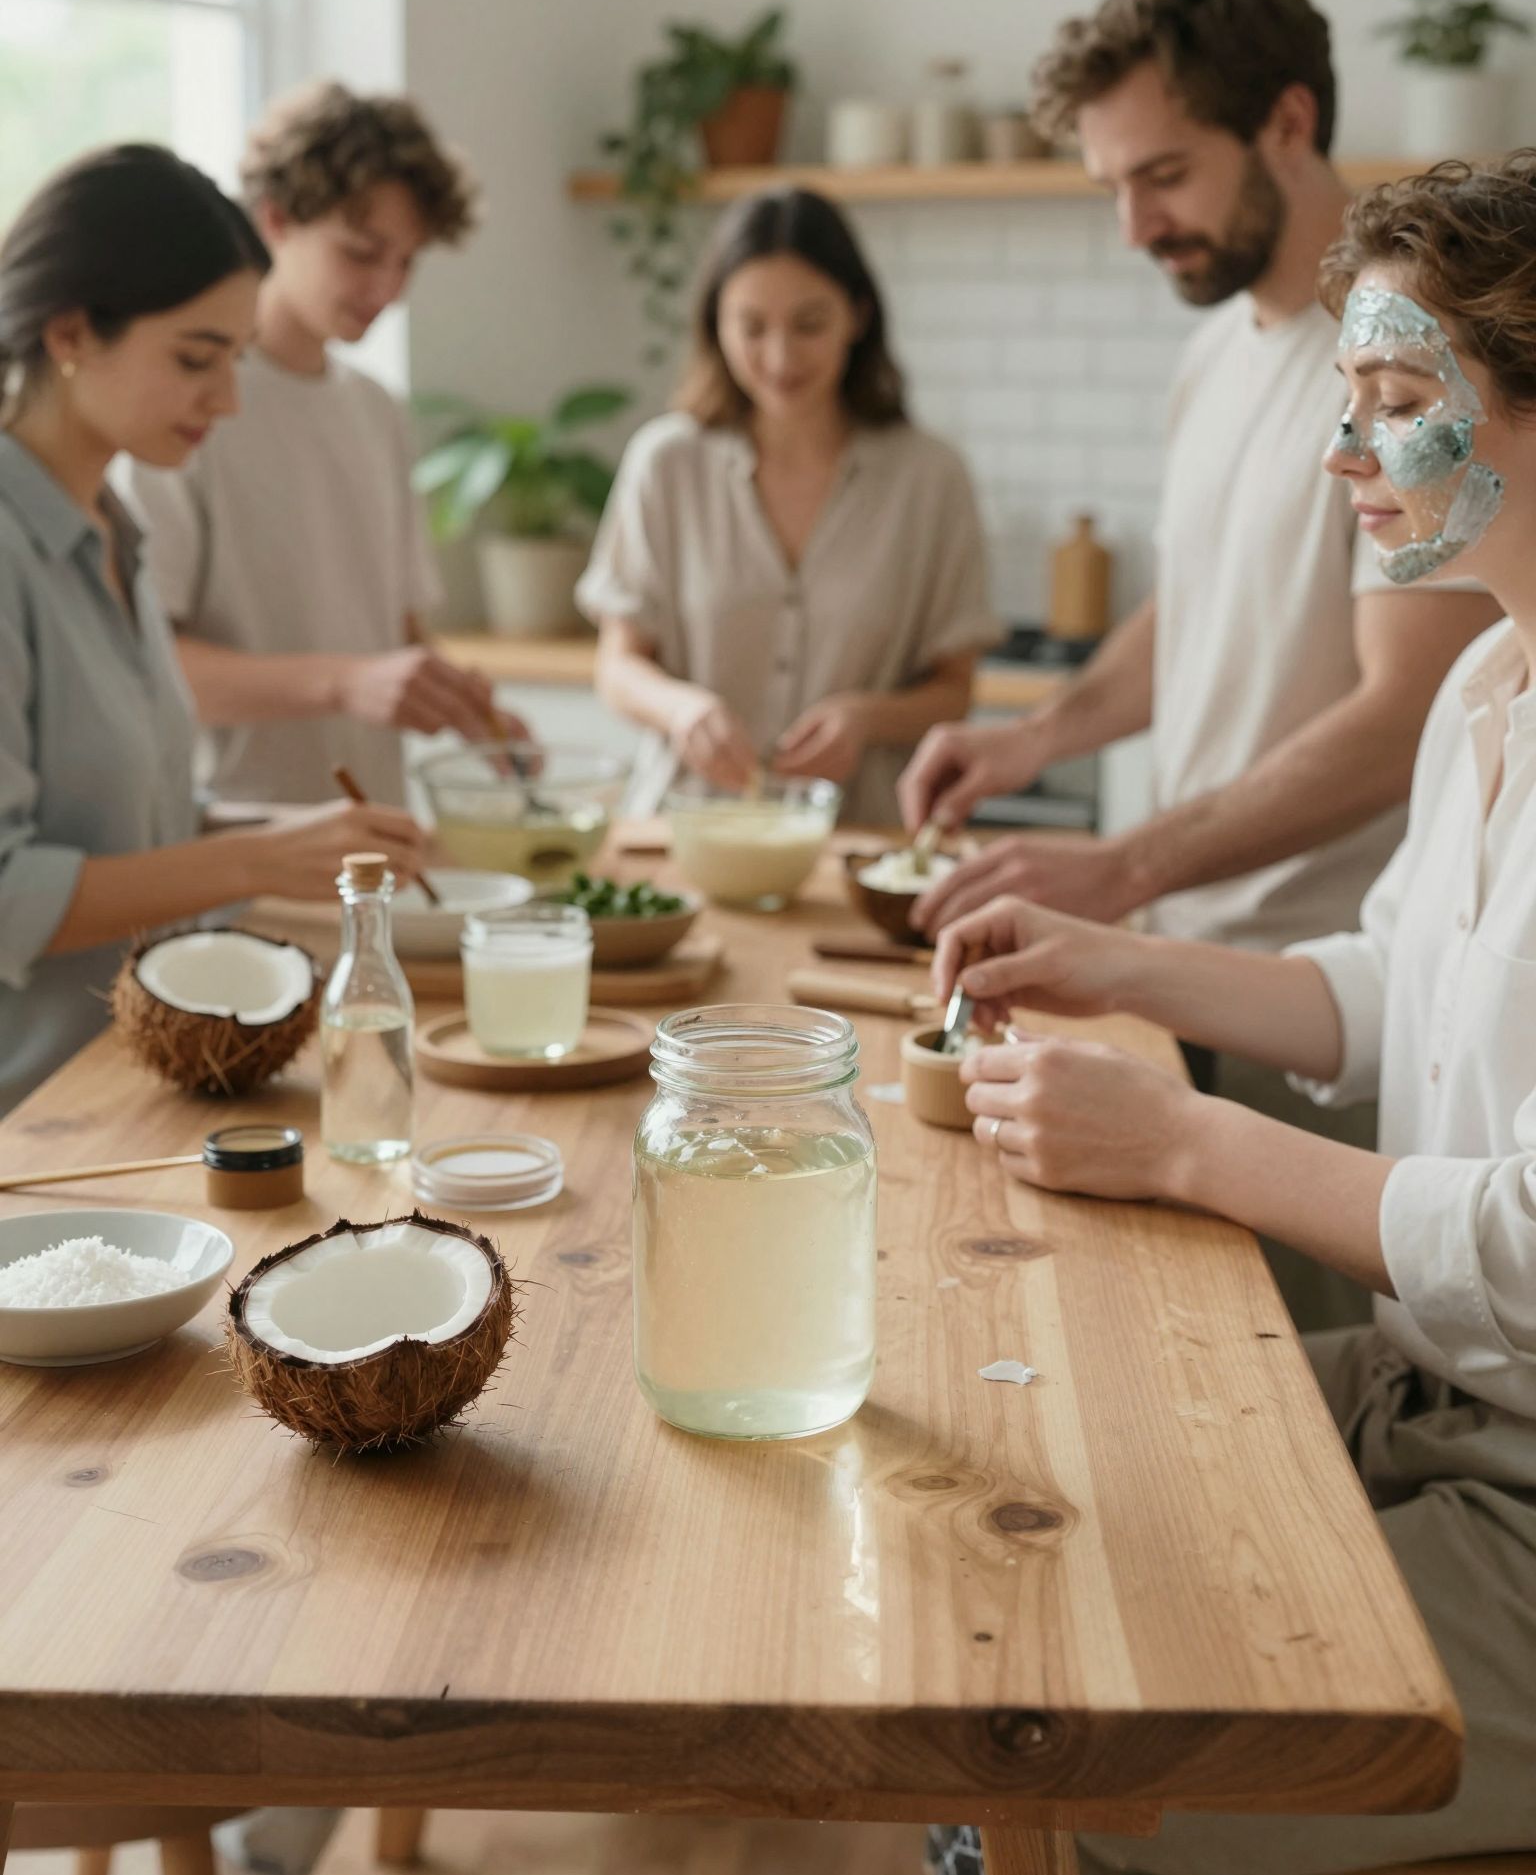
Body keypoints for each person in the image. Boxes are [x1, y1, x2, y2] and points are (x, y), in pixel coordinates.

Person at [926, 151, 1536, 1875]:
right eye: (1345, 402)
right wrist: (1118, 955)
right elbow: (1389, 985)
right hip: (1454, 1409)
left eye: (1401, 403)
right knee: (1005, 1584)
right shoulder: (1486, 688)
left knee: (1063, 1757)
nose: (1343, 455)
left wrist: (1185, 1143)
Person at [899, 0, 1499, 1330]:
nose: (1133, 224)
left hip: (1331, 1012)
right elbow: (1199, 600)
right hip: (1218, 974)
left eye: (1161, 174)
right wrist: (1035, 739)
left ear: (1287, 122)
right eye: (1111, 185)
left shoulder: (1420, 373)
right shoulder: (1224, 352)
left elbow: (1396, 706)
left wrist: (1121, 865)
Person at [0, 144, 423, 1122]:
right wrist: (256, 862)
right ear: (71, 330)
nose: (227, 398)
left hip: (142, 1082)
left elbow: (134, 819)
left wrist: (317, 840)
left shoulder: (113, 528)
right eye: (196, 358)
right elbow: (8, 892)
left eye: (235, 357)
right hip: (36, 1120)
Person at [120, 81, 521, 810]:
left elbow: (396, 635)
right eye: (363, 253)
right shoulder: (184, 409)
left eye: (407, 261)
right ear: (276, 220)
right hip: (234, 838)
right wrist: (348, 682)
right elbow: (149, 664)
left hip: (374, 839)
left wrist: (466, 708)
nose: (387, 287)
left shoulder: (377, 412)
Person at [580, 185, 1000, 823]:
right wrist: (682, 710)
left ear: (856, 315)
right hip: (684, 833)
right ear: (714, 322)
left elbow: (954, 690)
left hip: (857, 841)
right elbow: (618, 663)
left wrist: (866, 719)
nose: (779, 358)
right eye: (751, 326)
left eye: (809, 324)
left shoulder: (930, 479)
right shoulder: (666, 464)